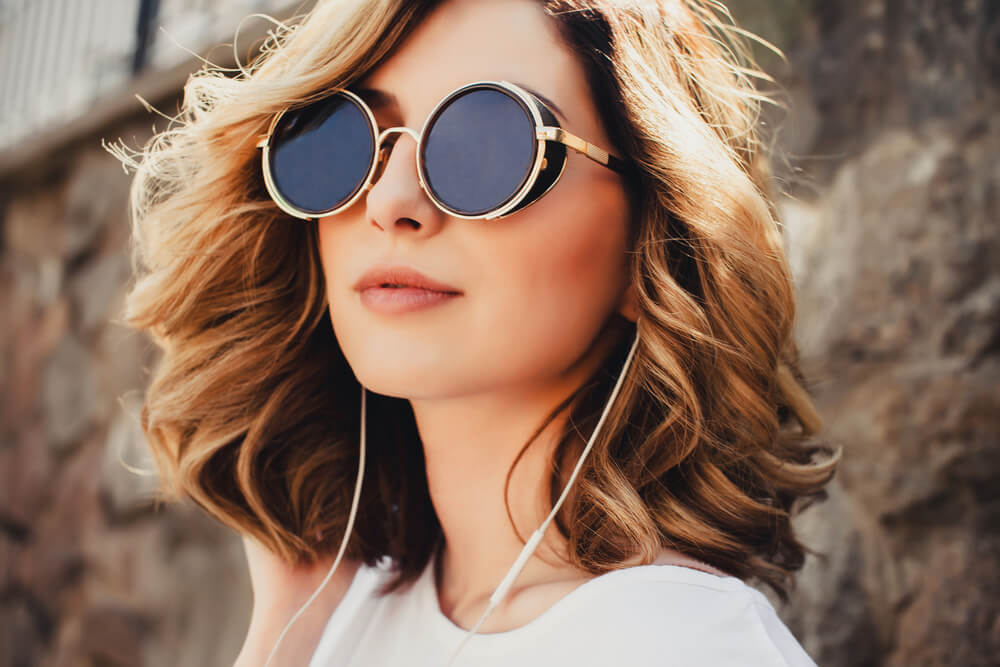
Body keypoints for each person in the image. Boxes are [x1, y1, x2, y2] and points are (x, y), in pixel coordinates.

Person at [107, 0, 843, 664]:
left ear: (651, 244)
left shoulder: (683, 644)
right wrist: (285, 633)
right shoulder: (340, 612)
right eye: (344, 135)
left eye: (486, 141)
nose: (391, 201)